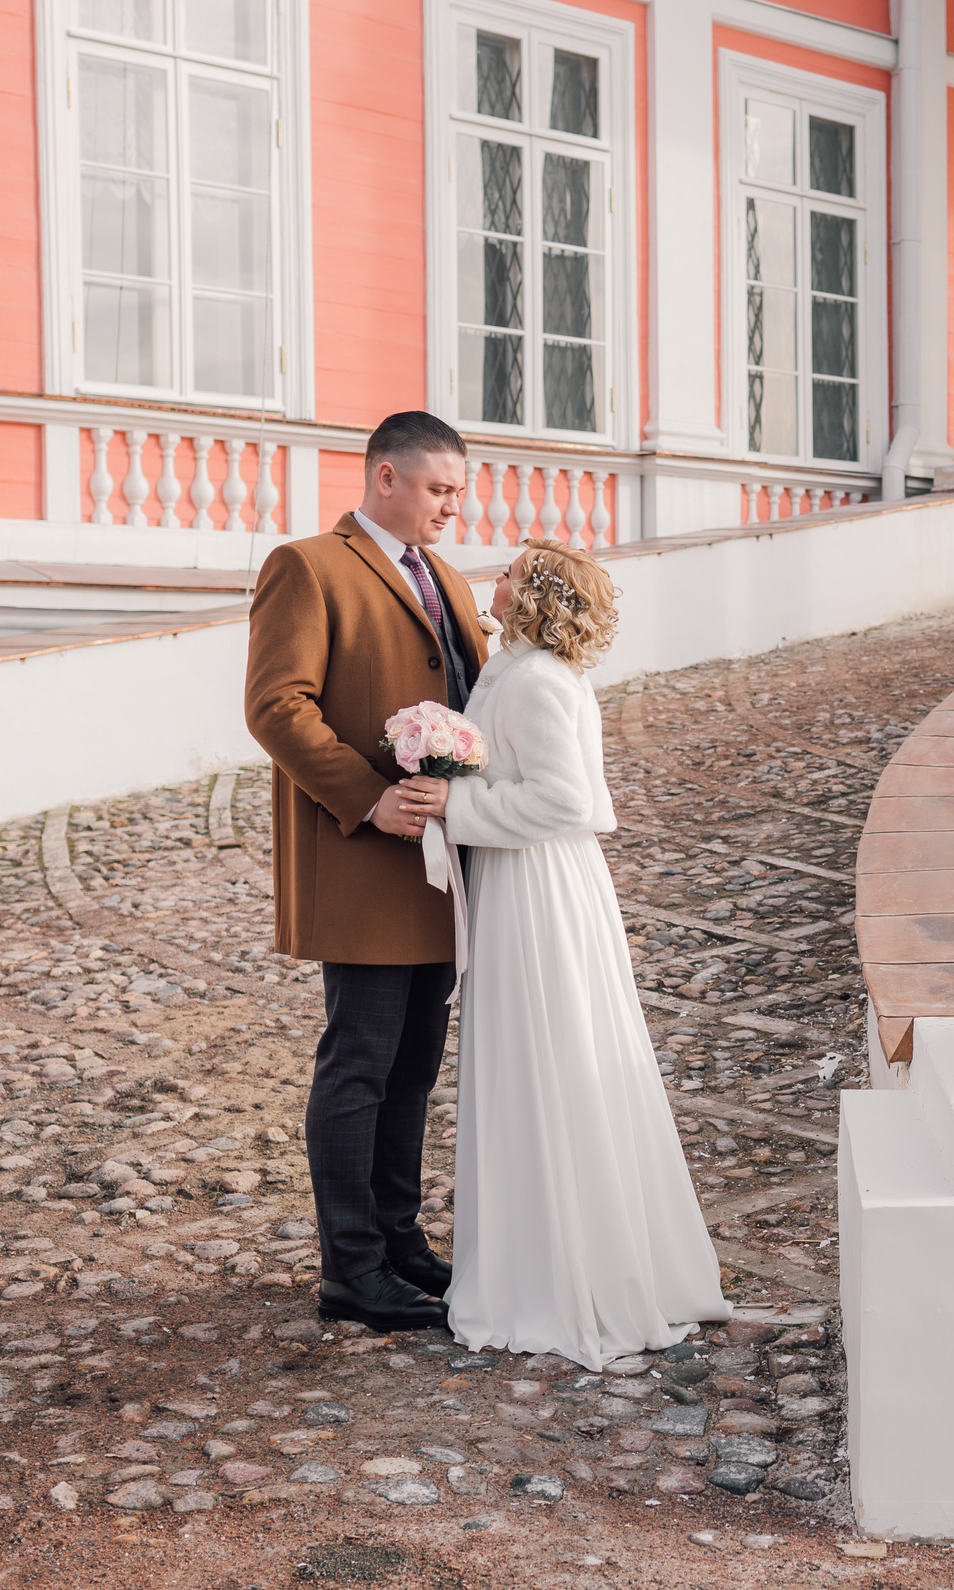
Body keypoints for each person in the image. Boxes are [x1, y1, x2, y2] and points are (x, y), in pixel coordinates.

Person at [396, 539, 730, 1367]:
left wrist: (453, 800)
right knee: (524, 1057)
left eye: (509, 573)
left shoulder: (540, 680)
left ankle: (558, 1279)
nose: (495, 581)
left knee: (549, 1052)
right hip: (517, 880)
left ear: (535, 593)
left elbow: (566, 799)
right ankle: (527, 1256)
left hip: (540, 885)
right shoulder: (514, 667)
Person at [243, 411, 487, 1333]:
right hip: (361, 858)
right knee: (358, 1068)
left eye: (459, 492)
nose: (451, 507)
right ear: (385, 477)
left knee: (415, 1066)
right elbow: (277, 706)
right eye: (437, 489)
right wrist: (368, 797)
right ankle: (350, 1269)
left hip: (437, 869)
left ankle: (398, 1242)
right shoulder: (307, 566)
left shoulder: (452, 582)